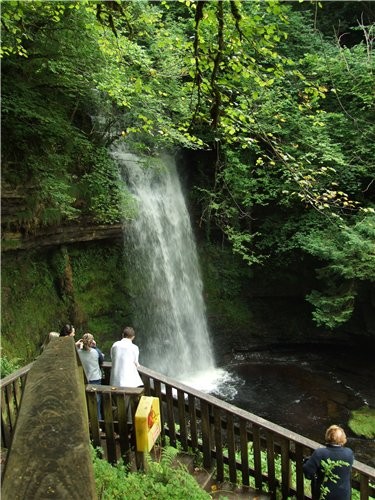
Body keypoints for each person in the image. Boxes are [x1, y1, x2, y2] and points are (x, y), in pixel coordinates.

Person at [303, 425, 354, 500]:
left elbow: (308, 472)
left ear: (328, 436)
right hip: (343, 495)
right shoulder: (349, 453)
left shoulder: (320, 453)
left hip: (324, 495)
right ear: (343, 438)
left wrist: (307, 460)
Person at [77, 333, 103, 420]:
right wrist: (95, 346)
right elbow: (101, 359)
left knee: (86, 403)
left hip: (84, 380)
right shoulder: (96, 352)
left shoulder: (78, 353)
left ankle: (87, 422)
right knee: (97, 403)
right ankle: (98, 423)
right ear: (92, 342)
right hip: (95, 380)